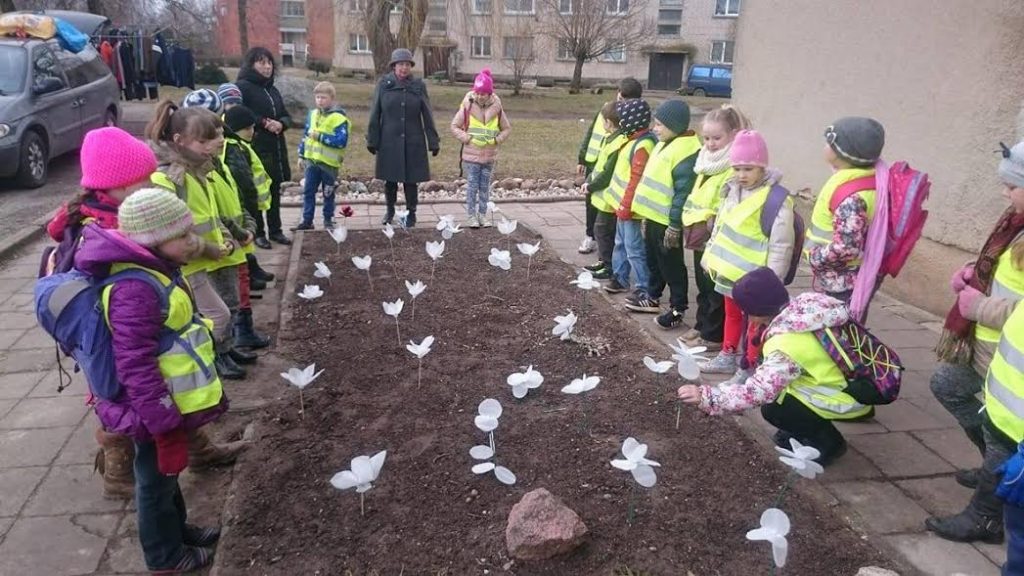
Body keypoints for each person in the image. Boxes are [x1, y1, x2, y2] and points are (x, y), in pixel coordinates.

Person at [45, 126, 243, 500]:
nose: (151, 186)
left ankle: (200, 450)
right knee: (117, 400)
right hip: (111, 335)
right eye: (142, 181)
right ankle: (119, 474)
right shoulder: (99, 227)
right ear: (114, 185)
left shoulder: (121, 211)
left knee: (164, 389)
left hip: (134, 323)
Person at [73, 188, 229, 572]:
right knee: (153, 482)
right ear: (153, 240)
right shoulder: (134, 288)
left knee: (167, 474)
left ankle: (179, 530)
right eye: (183, 236)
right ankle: (165, 556)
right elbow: (134, 361)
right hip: (149, 407)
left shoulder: (156, 270)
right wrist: (159, 414)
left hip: (163, 402)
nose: (193, 242)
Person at [926, 139, 1024, 544]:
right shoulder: (1015, 222)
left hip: (1012, 359)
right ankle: (996, 470)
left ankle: (986, 517)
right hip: (990, 347)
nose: (1004, 192)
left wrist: (978, 306)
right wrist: (972, 272)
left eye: (1013, 185)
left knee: (1004, 430)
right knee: (948, 385)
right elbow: (1003, 270)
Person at [678, 267, 872, 466]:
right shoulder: (805, 308)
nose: (745, 315)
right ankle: (804, 426)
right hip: (856, 382)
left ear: (757, 311)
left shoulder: (786, 343)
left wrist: (708, 397)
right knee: (782, 395)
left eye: (746, 310)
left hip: (847, 396)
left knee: (775, 409)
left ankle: (829, 443)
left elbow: (758, 392)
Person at [146, 102, 241, 381]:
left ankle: (218, 354)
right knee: (216, 316)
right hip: (186, 265)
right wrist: (207, 248)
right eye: (204, 141)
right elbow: (170, 232)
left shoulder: (198, 171)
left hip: (205, 258)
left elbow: (210, 215)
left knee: (220, 311)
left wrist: (224, 236)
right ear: (179, 141)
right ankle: (200, 363)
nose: (212, 145)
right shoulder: (169, 178)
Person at [700, 130, 796, 385]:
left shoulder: (776, 200)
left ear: (762, 168)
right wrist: (709, 253)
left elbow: (781, 244)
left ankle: (749, 366)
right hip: (729, 273)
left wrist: (772, 281)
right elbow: (720, 225)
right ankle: (727, 355)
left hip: (754, 279)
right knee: (731, 316)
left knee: (754, 323)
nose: (742, 175)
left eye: (749, 169)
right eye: (737, 168)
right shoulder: (731, 190)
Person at [678, 105, 750, 349]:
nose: (710, 143)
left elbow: (728, 200)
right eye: (706, 138)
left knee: (715, 287)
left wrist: (711, 221)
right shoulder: (705, 162)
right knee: (702, 283)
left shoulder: (732, 166)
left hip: (714, 233)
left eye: (717, 138)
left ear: (733, 134)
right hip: (698, 231)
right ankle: (701, 324)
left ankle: (713, 334)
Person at [628, 99, 701, 329]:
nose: (654, 129)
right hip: (653, 218)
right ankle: (652, 296)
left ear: (676, 126)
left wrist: (674, 225)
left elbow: (682, 194)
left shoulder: (686, 152)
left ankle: (678, 307)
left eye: (659, 124)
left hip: (667, 222)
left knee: (672, 265)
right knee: (654, 261)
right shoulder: (666, 142)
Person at [805, 117, 886, 303]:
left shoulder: (852, 196)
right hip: (842, 278)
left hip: (842, 283)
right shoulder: (863, 179)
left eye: (829, 142)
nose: (824, 146)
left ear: (843, 153)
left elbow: (847, 247)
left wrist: (815, 258)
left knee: (839, 329)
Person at [366, 48, 440, 228]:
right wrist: (372, 139)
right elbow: (375, 112)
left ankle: (411, 213)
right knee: (390, 179)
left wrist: (433, 140)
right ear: (394, 66)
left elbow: (427, 114)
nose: (404, 68)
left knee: (410, 180)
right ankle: (390, 211)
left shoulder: (418, 86)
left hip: (413, 139)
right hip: (389, 139)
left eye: (407, 64)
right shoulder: (384, 84)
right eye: (400, 64)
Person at [575, 77, 643, 255]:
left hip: (611, 167)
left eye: (624, 101)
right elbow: (592, 132)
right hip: (594, 161)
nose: (620, 103)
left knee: (606, 206)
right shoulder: (607, 108)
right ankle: (590, 236)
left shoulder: (632, 117)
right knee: (590, 202)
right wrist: (582, 158)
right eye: (619, 98)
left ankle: (607, 243)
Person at [236, 47, 293, 247]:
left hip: (276, 146)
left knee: (274, 189)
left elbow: (285, 113)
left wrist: (282, 123)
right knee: (257, 191)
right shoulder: (243, 87)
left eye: (269, 62)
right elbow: (241, 113)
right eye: (262, 62)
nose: (267, 66)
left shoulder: (272, 89)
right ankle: (259, 231)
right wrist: (263, 122)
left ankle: (276, 230)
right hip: (256, 145)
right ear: (251, 64)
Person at [603, 98, 656, 302]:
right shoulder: (631, 139)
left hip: (630, 207)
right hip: (621, 205)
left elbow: (636, 177)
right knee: (620, 243)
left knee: (634, 248)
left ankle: (644, 286)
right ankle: (620, 277)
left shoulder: (643, 145)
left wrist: (626, 204)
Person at [221, 105, 276, 295]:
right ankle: (248, 279)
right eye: (248, 128)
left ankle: (252, 271)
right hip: (243, 205)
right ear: (235, 129)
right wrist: (251, 204)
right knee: (242, 240)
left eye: (253, 127)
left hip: (246, 205)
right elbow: (244, 180)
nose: (252, 132)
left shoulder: (239, 145)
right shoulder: (234, 149)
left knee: (246, 242)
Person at [450, 68, 511, 228]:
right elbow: (455, 126)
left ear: (490, 94)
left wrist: (497, 140)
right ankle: (471, 216)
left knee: (484, 188)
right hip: (471, 157)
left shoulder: (497, 109)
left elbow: (506, 128)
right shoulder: (467, 107)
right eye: (477, 92)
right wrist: (467, 138)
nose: (479, 96)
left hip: (489, 157)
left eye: (483, 93)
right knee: (472, 187)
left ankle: (482, 215)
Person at [293, 81, 350, 231]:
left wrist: (320, 137)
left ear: (332, 98)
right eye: (317, 97)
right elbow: (306, 135)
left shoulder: (339, 118)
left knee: (328, 193)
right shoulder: (312, 115)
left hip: (329, 165)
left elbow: (341, 141)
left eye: (323, 97)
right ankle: (307, 220)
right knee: (308, 192)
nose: (320, 100)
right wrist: (301, 154)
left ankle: (328, 219)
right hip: (312, 162)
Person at [585, 102, 628, 281]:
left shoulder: (618, 143)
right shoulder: (610, 139)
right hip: (602, 198)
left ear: (609, 123)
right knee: (601, 230)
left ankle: (609, 266)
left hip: (609, 199)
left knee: (603, 231)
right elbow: (599, 166)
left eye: (603, 121)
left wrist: (590, 185)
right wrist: (589, 180)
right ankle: (603, 261)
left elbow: (607, 173)